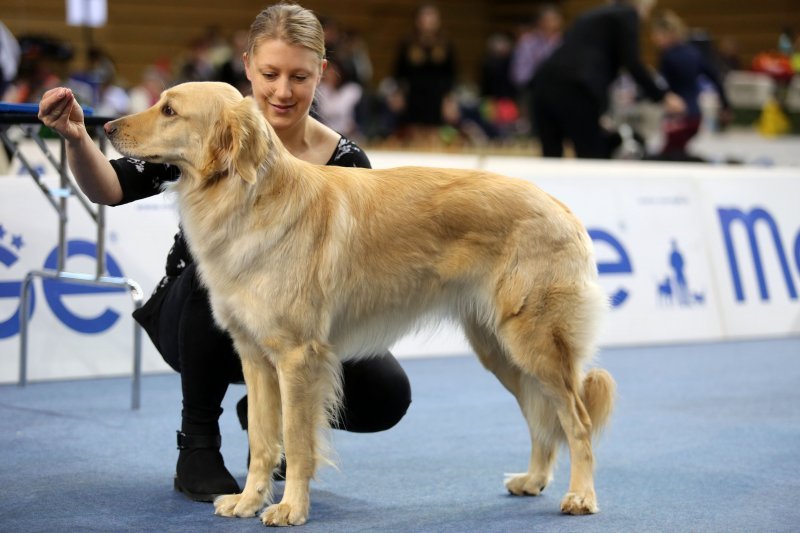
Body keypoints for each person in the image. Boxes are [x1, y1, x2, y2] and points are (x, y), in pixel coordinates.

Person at [37, 2, 412, 503]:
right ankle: (197, 446)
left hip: (297, 323)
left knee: (388, 392)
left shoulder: (346, 160)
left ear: (321, 74)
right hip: (198, 322)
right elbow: (109, 187)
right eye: (270, 73)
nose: (283, 91)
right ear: (248, 67)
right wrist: (77, 138)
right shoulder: (205, 124)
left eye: (299, 77)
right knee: (221, 271)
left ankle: (271, 419)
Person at [531, 0, 686, 159]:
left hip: (543, 83)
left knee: (551, 155)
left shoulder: (591, 15)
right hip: (576, 88)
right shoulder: (627, 14)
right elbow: (632, 63)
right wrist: (662, 96)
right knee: (591, 155)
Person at [650, 10, 730, 159]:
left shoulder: (668, 56)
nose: (654, 39)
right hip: (696, 117)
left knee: (668, 157)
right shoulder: (694, 52)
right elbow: (716, 78)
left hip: (678, 116)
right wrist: (725, 105)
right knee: (677, 153)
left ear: (668, 34)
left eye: (656, 35)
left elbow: (662, 86)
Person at [392, 2, 457, 141]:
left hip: (436, 95)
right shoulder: (407, 43)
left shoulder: (445, 44)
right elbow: (398, 73)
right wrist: (398, 94)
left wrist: (449, 100)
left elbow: (451, 75)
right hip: (414, 95)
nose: (428, 21)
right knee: (414, 133)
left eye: (432, 17)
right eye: (425, 16)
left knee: (434, 134)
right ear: (418, 20)